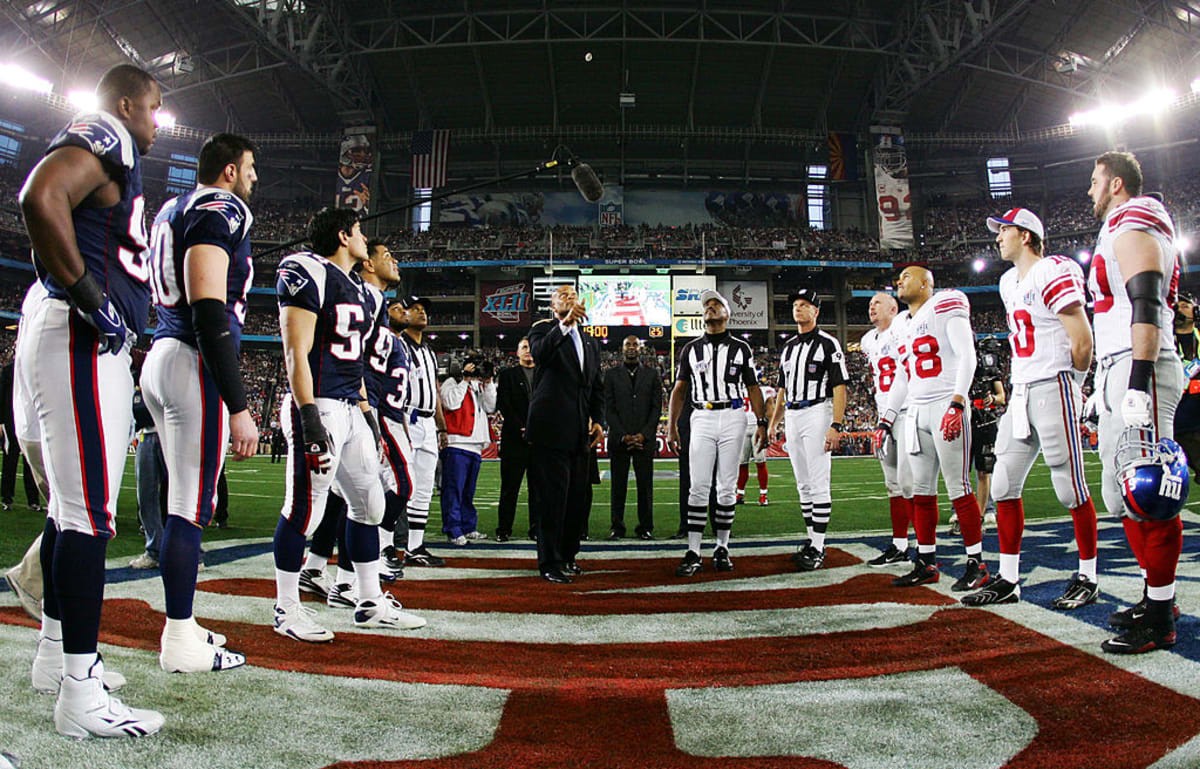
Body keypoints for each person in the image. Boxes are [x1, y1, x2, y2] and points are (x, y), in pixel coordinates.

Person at [17, 63, 164, 737]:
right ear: (128, 104)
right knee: (86, 517)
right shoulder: (107, 129)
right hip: (77, 334)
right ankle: (80, 693)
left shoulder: (121, 152)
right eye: (155, 109)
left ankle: (55, 655)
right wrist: (92, 298)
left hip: (76, 334)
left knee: (68, 509)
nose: (158, 123)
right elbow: (40, 197)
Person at [271, 207, 425, 643]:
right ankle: (286, 608)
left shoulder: (365, 292)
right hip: (317, 403)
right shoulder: (307, 269)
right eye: (358, 232)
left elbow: (355, 361)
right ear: (343, 236)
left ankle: (369, 599)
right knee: (304, 509)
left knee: (371, 505)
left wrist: (368, 416)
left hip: (351, 409)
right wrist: (307, 414)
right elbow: (295, 349)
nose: (364, 239)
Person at [960, 207, 1100, 610]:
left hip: (1053, 382)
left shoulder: (1053, 269)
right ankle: (1008, 579)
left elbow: (1082, 340)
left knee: (1069, 486)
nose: (997, 237)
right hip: (1021, 390)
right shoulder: (1007, 281)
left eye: (1004, 230)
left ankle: (1088, 576)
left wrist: (1071, 385)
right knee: (1002, 484)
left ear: (1025, 235)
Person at [1084, 151, 1185, 653]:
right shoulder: (1117, 226)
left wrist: (1137, 380)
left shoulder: (1133, 214)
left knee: (1149, 491)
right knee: (1118, 493)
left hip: (1138, 361)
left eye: (1095, 181)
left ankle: (1161, 614)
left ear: (1116, 184)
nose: (1089, 191)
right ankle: (1156, 592)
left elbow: (1145, 297)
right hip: (1116, 363)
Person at [876, 266, 989, 591]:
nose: (900, 281)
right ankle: (926, 562)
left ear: (927, 283)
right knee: (920, 491)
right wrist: (888, 418)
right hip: (916, 410)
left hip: (944, 404)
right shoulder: (902, 324)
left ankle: (976, 563)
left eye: (907, 277)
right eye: (898, 278)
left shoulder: (947, 303)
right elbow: (902, 374)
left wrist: (957, 401)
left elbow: (967, 353)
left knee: (959, 488)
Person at [667, 289, 766, 577]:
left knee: (726, 486)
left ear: (727, 313)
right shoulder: (690, 349)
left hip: (733, 415)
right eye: (707, 306)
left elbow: (753, 387)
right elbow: (679, 389)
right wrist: (672, 426)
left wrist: (761, 421)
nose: (710, 308)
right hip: (702, 415)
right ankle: (693, 549)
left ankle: (722, 547)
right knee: (698, 486)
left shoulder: (741, 349)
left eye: (716, 304)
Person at [526, 284, 605, 584]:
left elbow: (595, 385)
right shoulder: (542, 330)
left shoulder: (589, 341)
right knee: (551, 499)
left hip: (579, 433)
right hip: (550, 429)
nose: (570, 299)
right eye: (563, 296)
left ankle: (569, 555)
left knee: (577, 499)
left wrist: (598, 419)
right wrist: (565, 323)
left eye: (573, 295)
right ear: (552, 305)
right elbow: (540, 354)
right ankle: (549, 562)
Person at [767, 288, 848, 571]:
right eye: (796, 304)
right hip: (793, 412)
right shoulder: (788, 347)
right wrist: (774, 421)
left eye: (804, 305)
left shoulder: (828, 343)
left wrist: (835, 424)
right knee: (802, 483)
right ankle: (812, 539)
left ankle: (818, 544)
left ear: (816, 311)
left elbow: (840, 386)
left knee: (818, 480)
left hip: (816, 410)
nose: (798, 309)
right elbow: (782, 388)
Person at [859, 291, 913, 567]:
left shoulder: (904, 325)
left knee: (909, 482)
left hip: (906, 411)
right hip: (884, 415)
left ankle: (926, 547)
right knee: (892, 484)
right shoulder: (869, 340)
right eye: (869, 304)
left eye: (877, 303)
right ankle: (900, 545)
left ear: (893, 308)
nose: (871, 307)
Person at [398, 295, 449, 567]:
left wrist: (442, 426)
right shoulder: (399, 345)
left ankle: (415, 546)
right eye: (415, 309)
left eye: (424, 310)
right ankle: (386, 546)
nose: (421, 314)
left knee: (425, 487)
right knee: (397, 484)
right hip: (407, 416)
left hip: (428, 422)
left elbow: (436, 391)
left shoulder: (429, 352)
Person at [603, 335, 662, 540]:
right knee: (618, 486)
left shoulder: (653, 374)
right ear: (621, 348)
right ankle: (616, 527)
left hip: (643, 440)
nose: (631, 348)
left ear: (641, 349)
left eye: (635, 344)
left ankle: (645, 527)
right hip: (620, 440)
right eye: (627, 344)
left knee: (645, 487)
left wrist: (644, 435)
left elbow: (656, 408)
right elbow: (608, 409)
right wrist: (623, 435)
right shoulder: (611, 375)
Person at [440, 356, 497, 544]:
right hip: (457, 443)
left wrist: (488, 382)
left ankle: (468, 526)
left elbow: (490, 406)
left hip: (475, 445)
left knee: (468, 491)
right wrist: (464, 380)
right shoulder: (451, 382)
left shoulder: (478, 386)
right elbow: (451, 402)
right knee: (454, 489)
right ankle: (453, 529)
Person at [495, 337, 536, 542]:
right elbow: (504, 403)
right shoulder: (508, 375)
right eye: (524, 347)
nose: (528, 350)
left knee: (537, 490)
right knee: (510, 488)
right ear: (517, 352)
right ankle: (504, 529)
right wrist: (521, 425)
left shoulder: (545, 374)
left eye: (530, 347)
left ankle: (536, 529)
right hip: (514, 440)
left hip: (539, 442)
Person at [129, 385, 165, 570]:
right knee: (145, 497)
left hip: (172, 432)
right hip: (145, 434)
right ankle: (154, 549)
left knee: (178, 497)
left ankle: (192, 552)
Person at [0, 360, 41, 512]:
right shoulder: (9, 370)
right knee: (10, 460)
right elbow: (2, 396)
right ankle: (7, 498)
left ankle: (33, 500)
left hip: (29, 422)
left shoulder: (33, 369)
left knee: (30, 461)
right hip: (11, 422)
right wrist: (1, 422)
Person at [1171, 294, 1200, 478]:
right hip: (1179, 422)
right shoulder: (1163, 341)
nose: (1180, 310)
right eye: (1177, 306)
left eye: (1184, 305)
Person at [736, 373, 774, 507]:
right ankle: (740, 493)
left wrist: (766, 427)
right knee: (742, 463)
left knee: (760, 461)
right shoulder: (737, 389)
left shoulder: (763, 391)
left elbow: (770, 410)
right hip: (742, 427)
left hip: (757, 427)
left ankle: (763, 494)